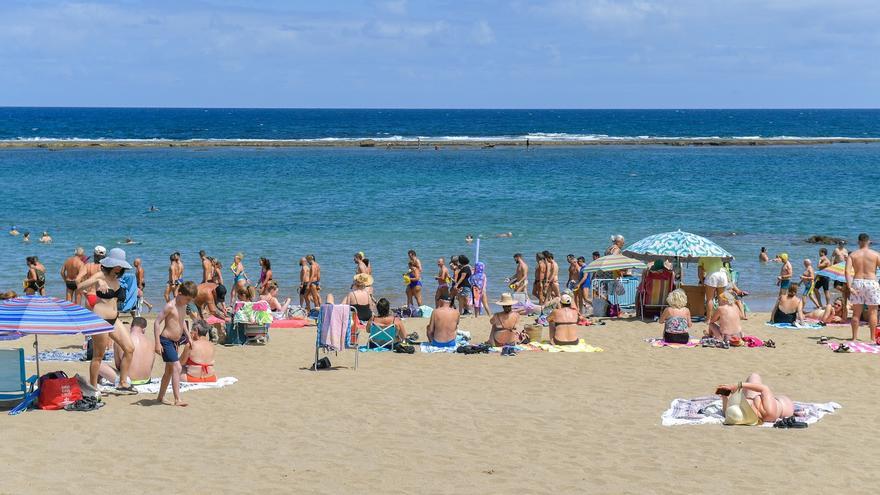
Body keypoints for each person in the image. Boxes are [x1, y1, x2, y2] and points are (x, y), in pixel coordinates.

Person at [77, 248, 137, 392]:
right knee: (98, 356)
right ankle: (93, 387)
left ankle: (123, 382)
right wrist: (98, 280)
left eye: (121, 265)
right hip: (100, 320)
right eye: (118, 264)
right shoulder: (101, 275)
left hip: (114, 319)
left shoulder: (117, 278)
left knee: (129, 348)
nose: (120, 267)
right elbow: (79, 286)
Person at [153, 280, 198, 406]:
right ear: (179, 293)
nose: (188, 302)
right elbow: (157, 322)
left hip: (175, 342)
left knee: (168, 371)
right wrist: (157, 343)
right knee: (177, 367)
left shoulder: (183, 305)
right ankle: (177, 399)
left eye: (190, 300)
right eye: (187, 299)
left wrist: (188, 336)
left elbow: (182, 320)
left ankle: (160, 397)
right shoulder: (170, 306)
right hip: (165, 341)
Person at [716, 373, 795, 425]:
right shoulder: (768, 412)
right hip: (785, 405)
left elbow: (726, 412)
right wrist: (738, 385)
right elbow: (765, 388)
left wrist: (724, 396)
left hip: (761, 404)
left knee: (753, 377)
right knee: (754, 376)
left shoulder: (741, 415)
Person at [98, 317, 155, 386]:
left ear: (131, 327)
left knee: (98, 364)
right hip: (146, 380)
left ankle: (97, 383)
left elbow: (118, 365)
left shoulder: (122, 341)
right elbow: (151, 366)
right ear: (144, 330)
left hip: (127, 380)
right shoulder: (151, 343)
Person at [845, 233, 880, 341]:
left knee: (856, 313)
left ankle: (854, 338)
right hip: (871, 282)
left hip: (857, 282)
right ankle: (872, 338)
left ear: (858, 242)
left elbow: (847, 271)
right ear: (868, 242)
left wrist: (850, 286)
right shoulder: (876, 254)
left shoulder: (853, 255)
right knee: (873, 312)